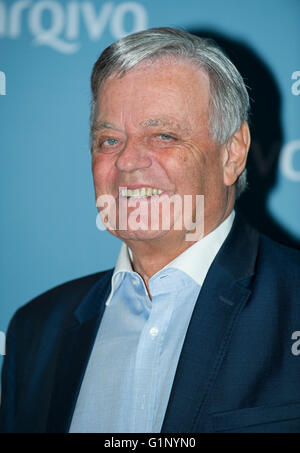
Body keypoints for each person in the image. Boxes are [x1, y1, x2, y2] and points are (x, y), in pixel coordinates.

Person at [1, 27, 300, 434]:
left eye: (163, 135)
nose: (127, 161)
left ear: (233, 153)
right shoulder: (36, 330)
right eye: (109, 140)